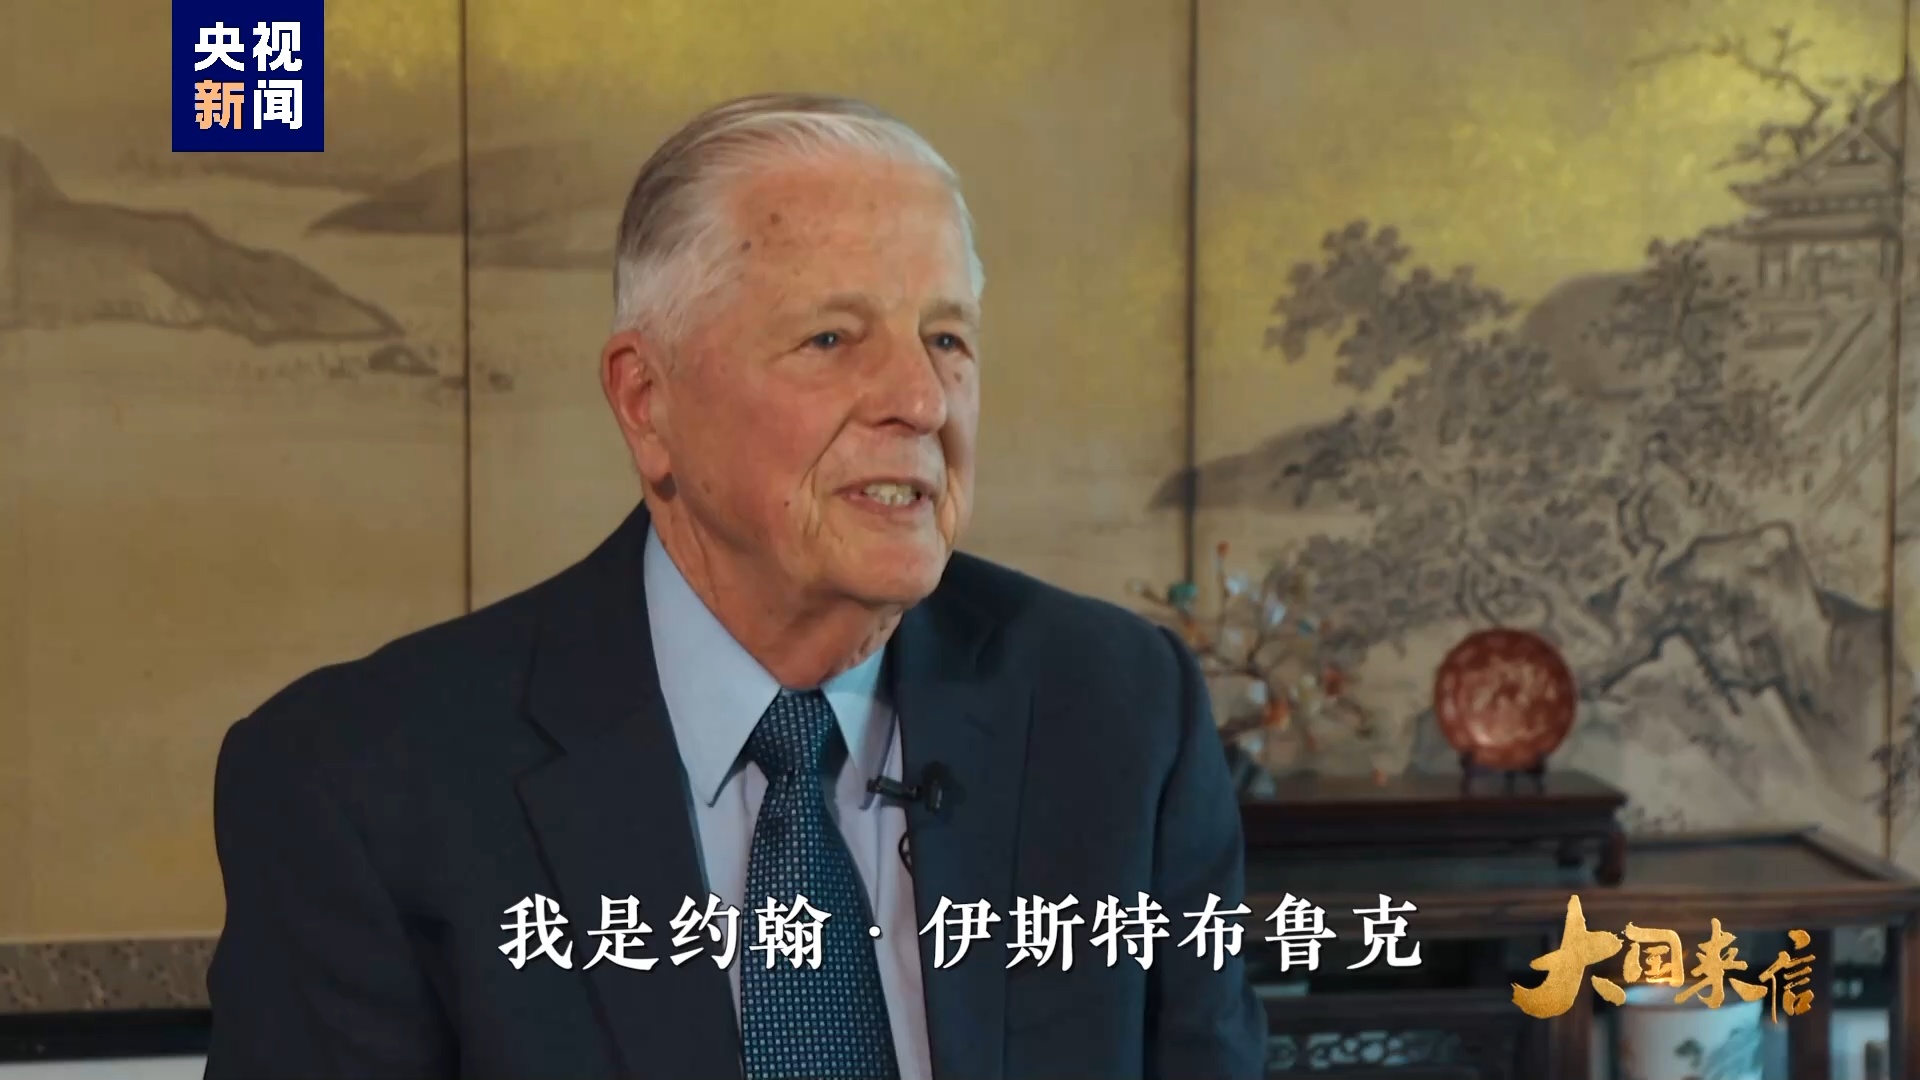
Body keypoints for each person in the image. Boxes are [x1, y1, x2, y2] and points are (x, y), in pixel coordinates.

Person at [204, 92, 1266, 1080]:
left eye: (946, 339)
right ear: (647, 401)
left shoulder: (1119, 713)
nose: (921, 399)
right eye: (832, 338)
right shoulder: (360, 783)